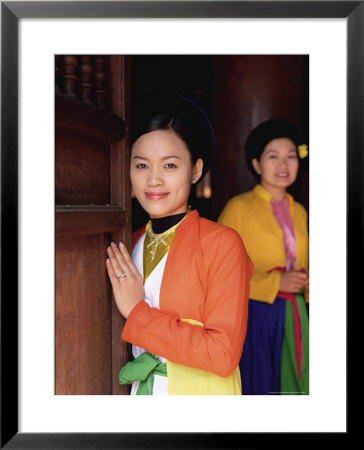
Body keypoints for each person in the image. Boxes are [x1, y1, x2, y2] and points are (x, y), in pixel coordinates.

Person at [106, 92, 253, 395]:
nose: (154, 180)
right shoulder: (128, 244)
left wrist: (138, 312)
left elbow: (223, 355)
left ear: (196, 170)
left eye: (170, 166)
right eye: (142, 165)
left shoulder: (222, 245)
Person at [218, 119, 309, 395]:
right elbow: (219, 272)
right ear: (257, 165)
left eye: (291, 157)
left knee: (295, 382)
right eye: (274, 157)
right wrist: (273, 284)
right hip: (256, 312)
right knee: (261, 383)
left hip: (295, 311)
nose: (284, 165)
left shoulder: (300, 211)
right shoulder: (239, 208)